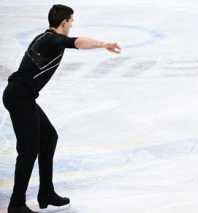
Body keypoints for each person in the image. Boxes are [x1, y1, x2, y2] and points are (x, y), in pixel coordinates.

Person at [2, 4, 121, 213]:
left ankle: (46, 192)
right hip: (19, 97)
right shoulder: (52, 40)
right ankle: (16, 204)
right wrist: (104, 44)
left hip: (23, 96)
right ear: (64, 22)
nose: (72, 24)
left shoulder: (45, 38)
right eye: (71, 20)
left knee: (49, 137)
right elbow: (77, 42)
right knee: (28, 150)